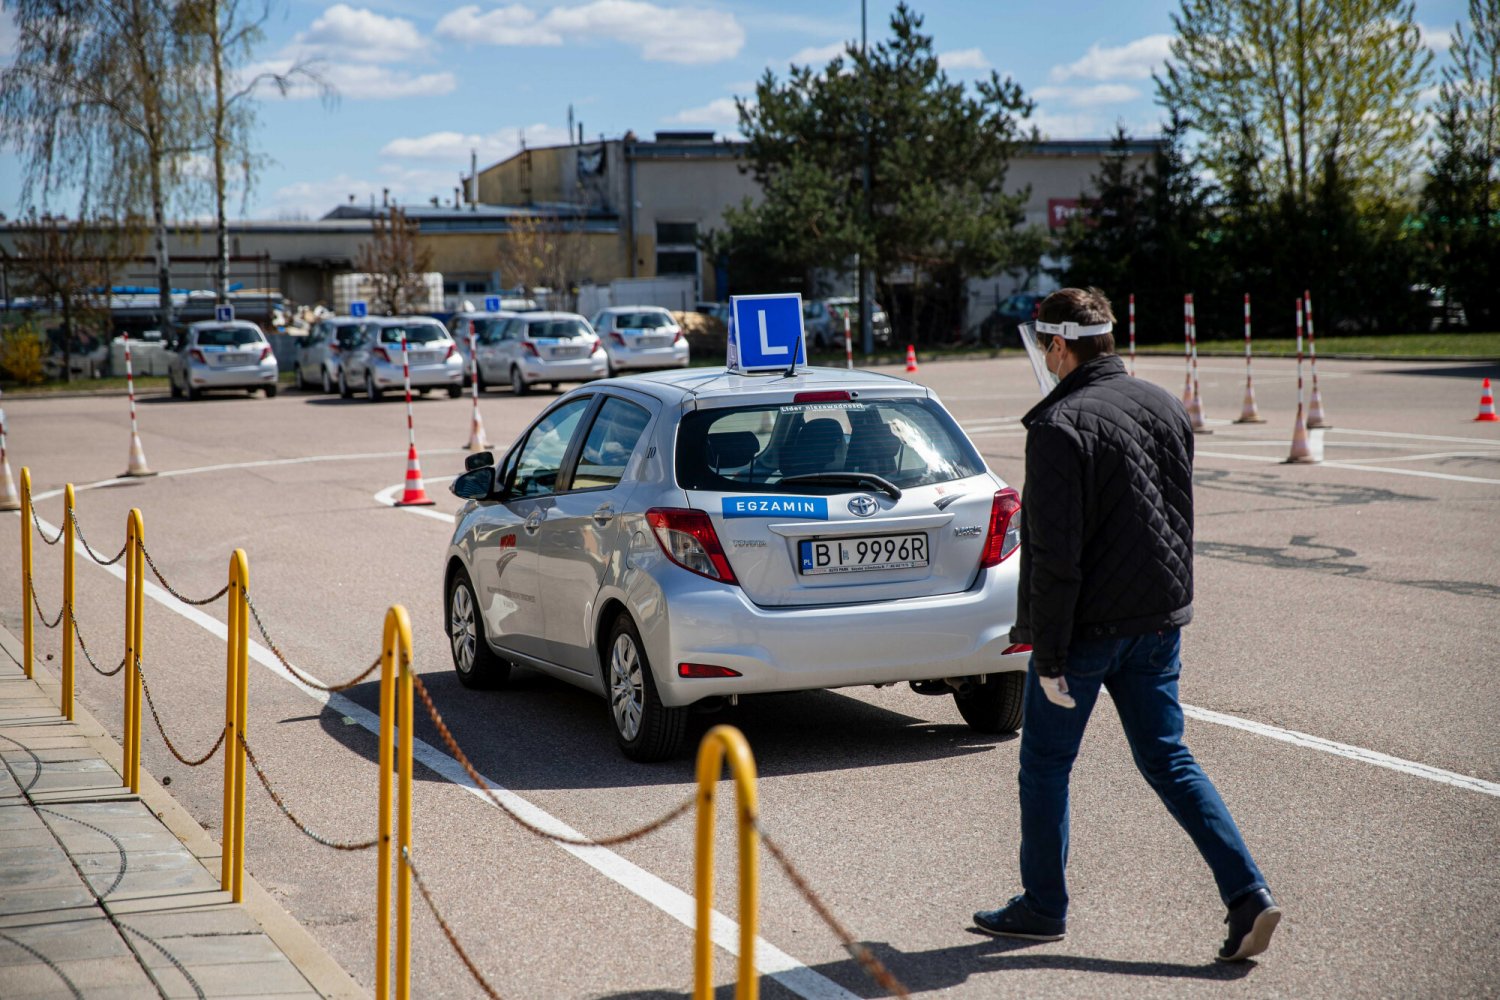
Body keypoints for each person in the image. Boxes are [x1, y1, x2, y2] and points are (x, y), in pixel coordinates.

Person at [973, 287, 1279, 962]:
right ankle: (1247, 894)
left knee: (1046, 766)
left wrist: (1048, 655)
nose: (1044, 358)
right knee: (1169, 759)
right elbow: (1173, 517)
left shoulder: (1058, 428)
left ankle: (1042, 906)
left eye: (1043, 346)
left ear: (1060, 346)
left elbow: (1055, 557)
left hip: (1086, 633)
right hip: (1157, 621)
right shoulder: (1164, 404)